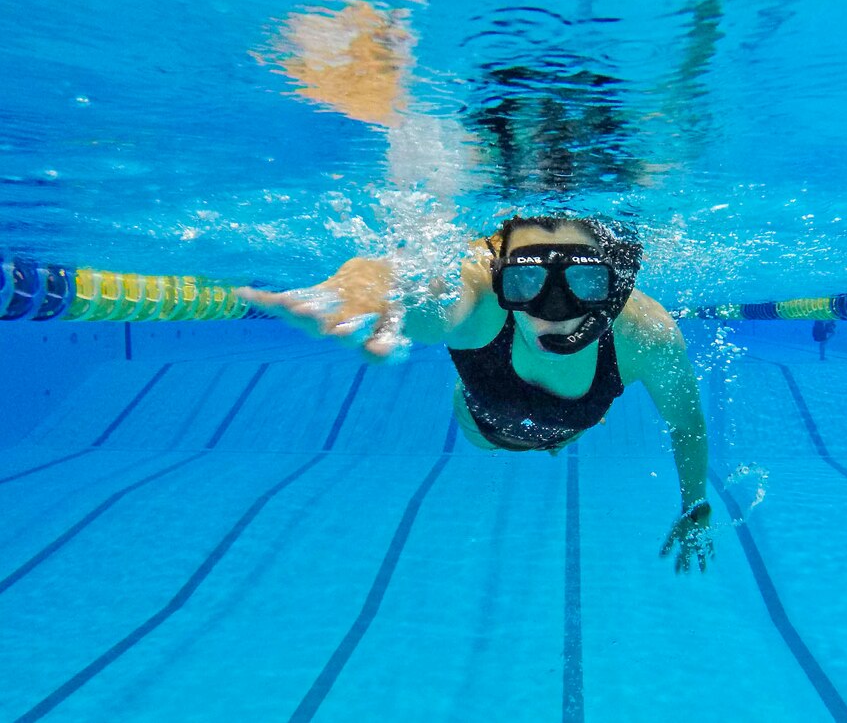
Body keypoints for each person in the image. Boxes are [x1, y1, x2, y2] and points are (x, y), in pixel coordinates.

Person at [239, 215, 714, 572]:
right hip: (482, 424)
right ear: (499, 274)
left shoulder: (646, 335)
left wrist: (694, 507)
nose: (554, 310)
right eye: (526, 279)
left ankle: (564, 429)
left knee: (568, 426)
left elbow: (688, 426)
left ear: (615, 283)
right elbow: (425, 286)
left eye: (584, 280)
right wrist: (359, 291)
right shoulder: (483, 302)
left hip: (568, 424)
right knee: (486, 431)